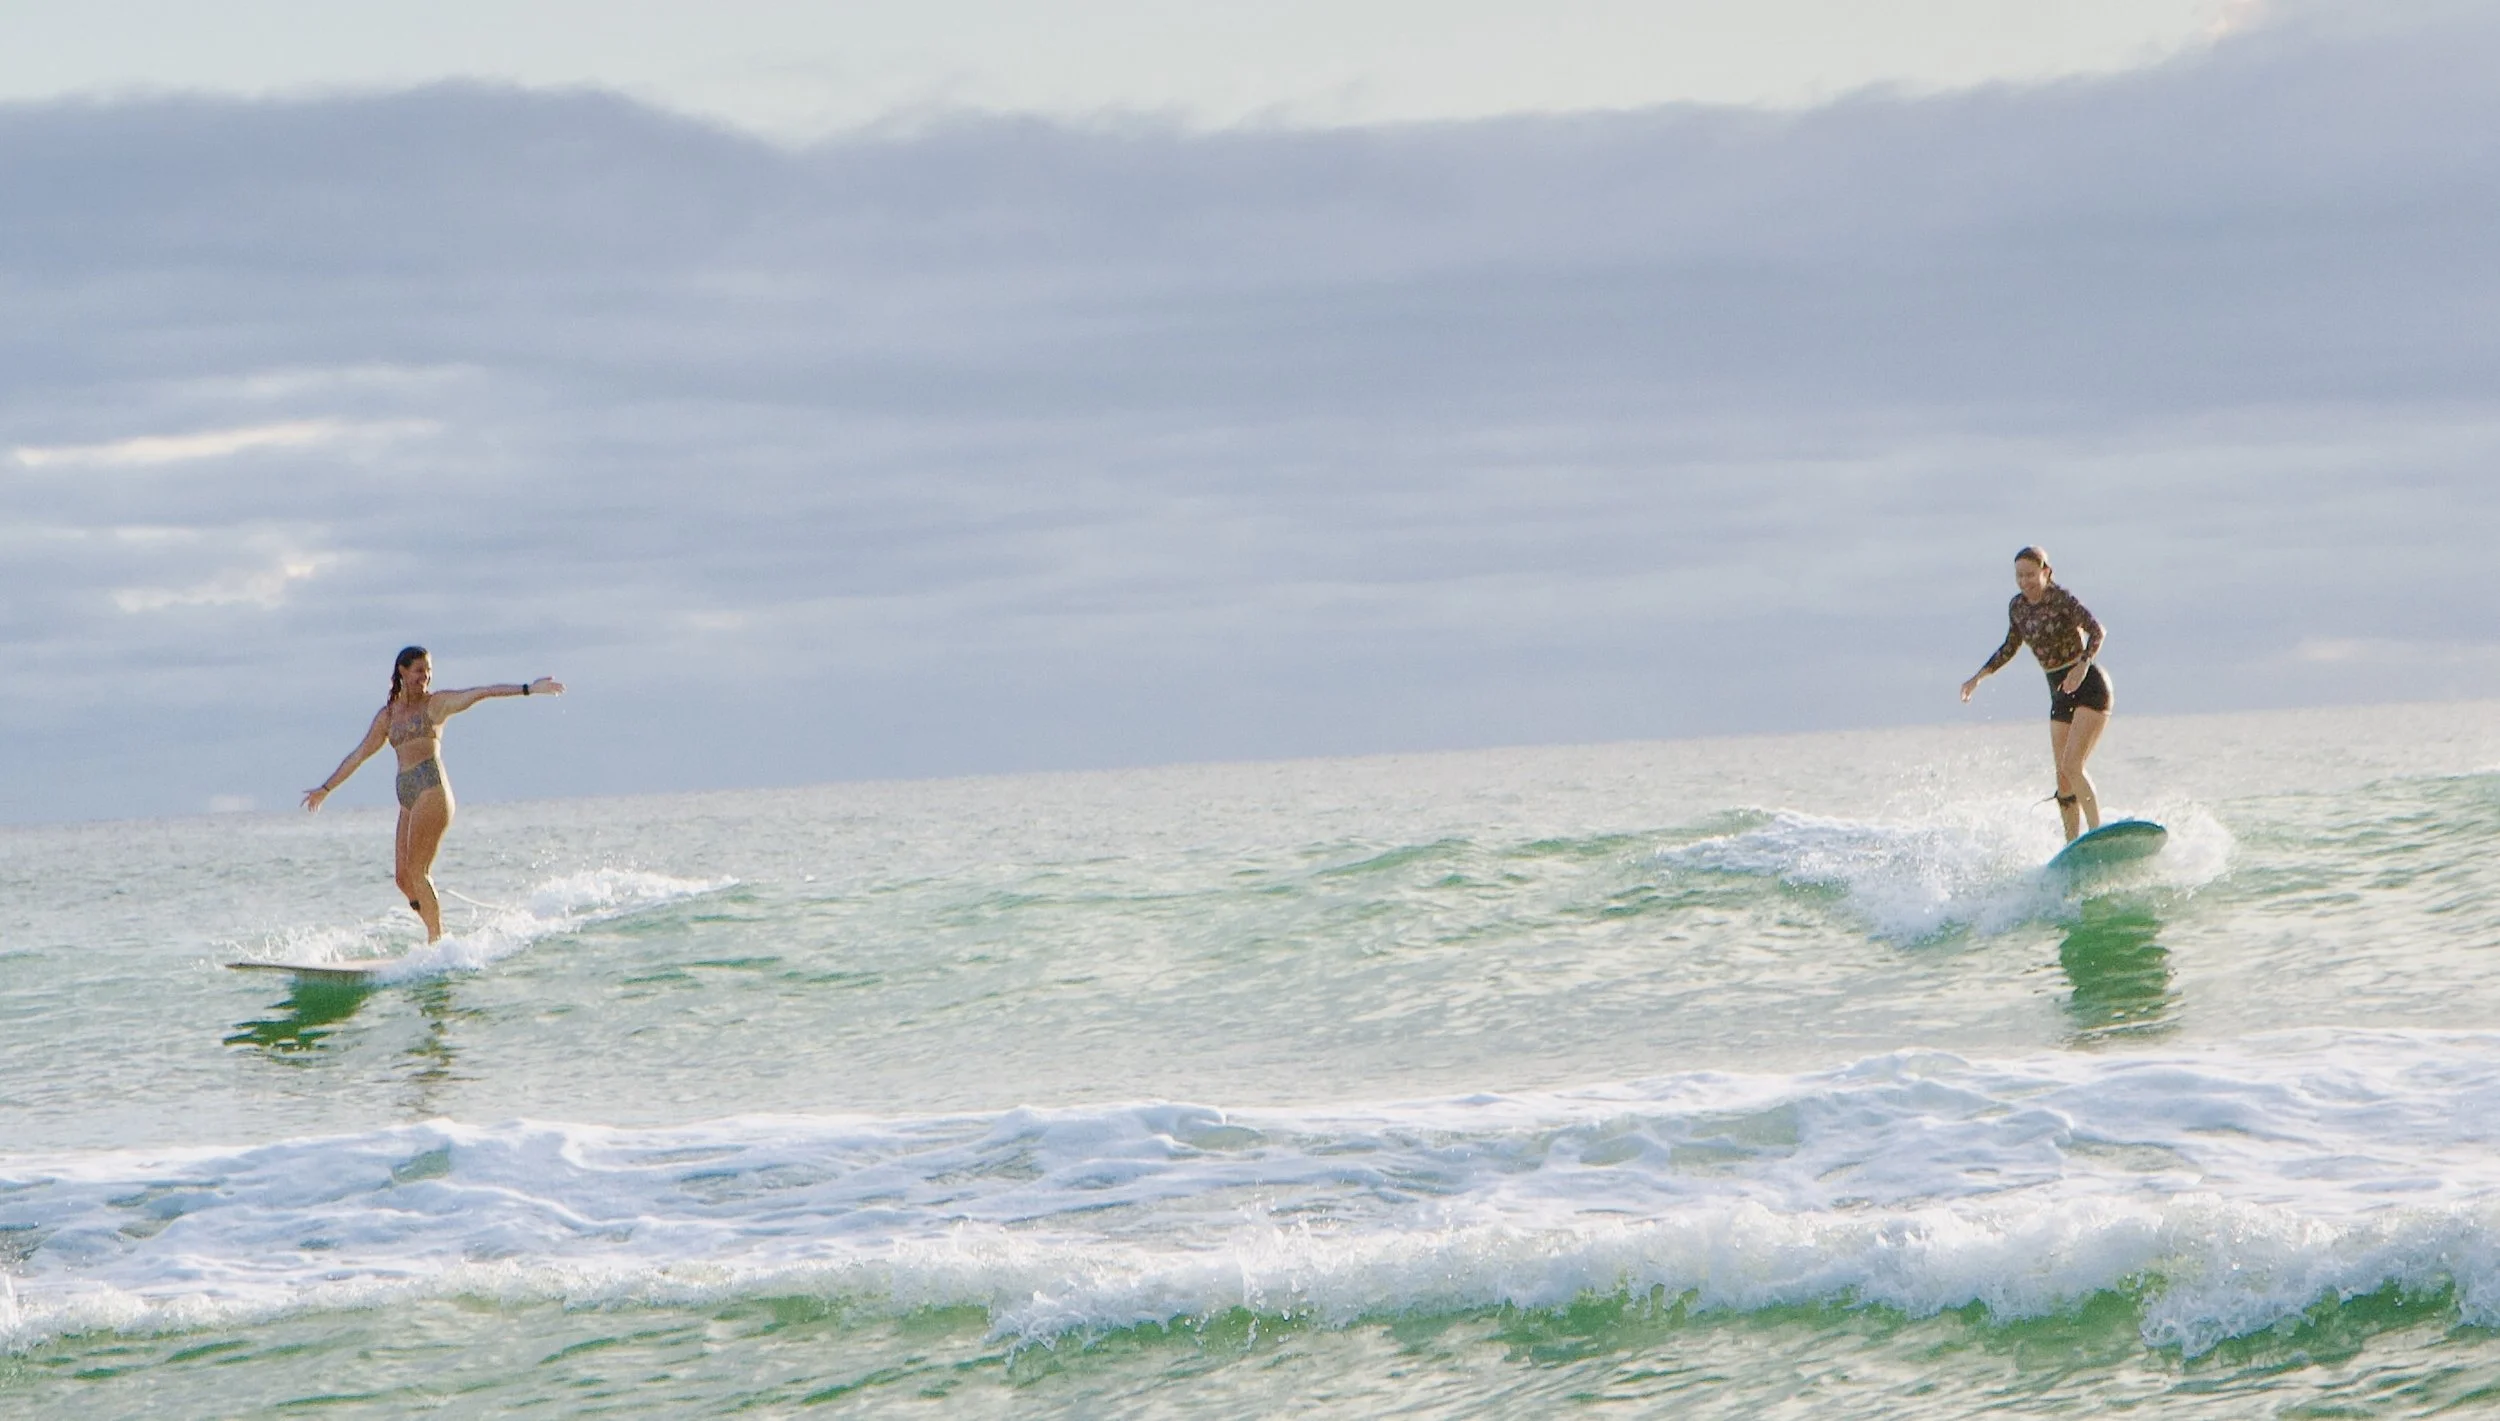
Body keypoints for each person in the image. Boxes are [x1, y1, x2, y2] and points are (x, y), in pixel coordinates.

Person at [302, 646, 564, 941]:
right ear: (402, 671)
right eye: (418, 670)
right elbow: (359, 754)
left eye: (428, 671)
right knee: (403, 879)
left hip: (431, 790)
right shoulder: (388, 716)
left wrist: (529, 688)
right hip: (407, 799)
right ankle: (436, 930)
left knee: (418, 871)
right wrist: (325, 789)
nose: (424, 677)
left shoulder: (436, 705)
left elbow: (481, 692)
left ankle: (436, 941)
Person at [1959, 547, 2111, 842]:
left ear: (2046, 572)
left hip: (2088, 687)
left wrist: (2081, 666)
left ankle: (2097, 833)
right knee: (2063, 779)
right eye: (2019, 576)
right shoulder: (2017, 607)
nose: (2025, 581)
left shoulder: (2061, 598)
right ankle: (2073, 844)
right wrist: (1978, 677)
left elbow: (2097, 631)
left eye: (2031, 574)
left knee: (2072, 765)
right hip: (2058, 692)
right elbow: (2009, 647)